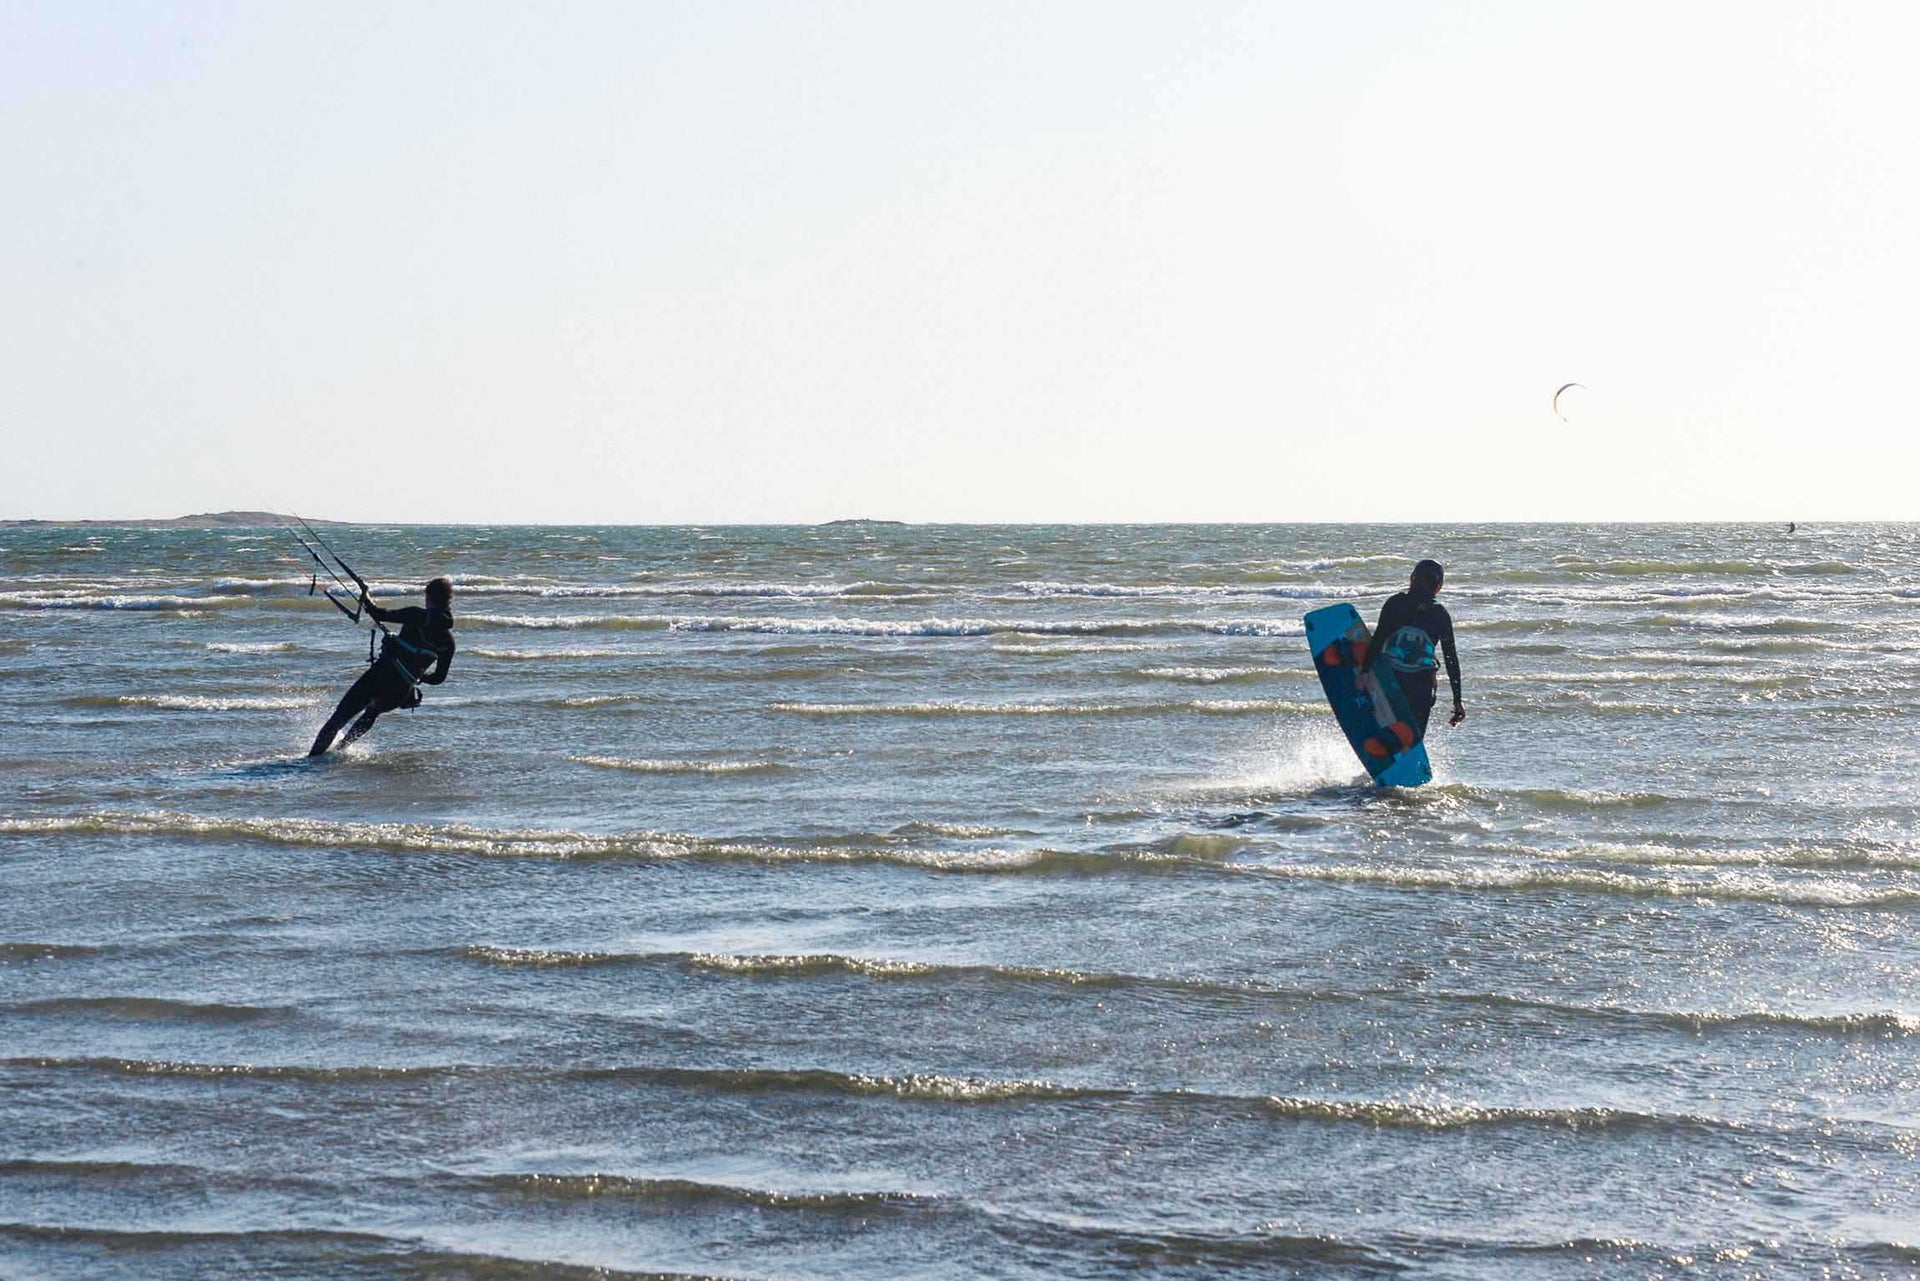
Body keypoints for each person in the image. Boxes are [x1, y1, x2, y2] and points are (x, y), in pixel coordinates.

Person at [308, 577, 456, 756]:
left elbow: (378, 613)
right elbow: (438, 679)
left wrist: (366, 595)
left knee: (339, 718)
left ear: (429, 596)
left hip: (381, 675)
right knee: (372, 712)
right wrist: (416, 676)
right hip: (400, 692)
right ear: (449, 600)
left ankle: (313, 761)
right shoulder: (449, 642)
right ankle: (340, 750)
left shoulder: (417, 615)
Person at [1369, 559, 1464, 738]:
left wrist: (1364, 673)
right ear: (1439, 587)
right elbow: (1451, 659)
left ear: (1412, 579)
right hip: (1421, 687)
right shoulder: (1440, 614)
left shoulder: (1395, 603)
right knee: (1411, 741)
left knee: (1384, 730)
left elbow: (1378, 640)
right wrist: (1457, 700)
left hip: (1389, 679)